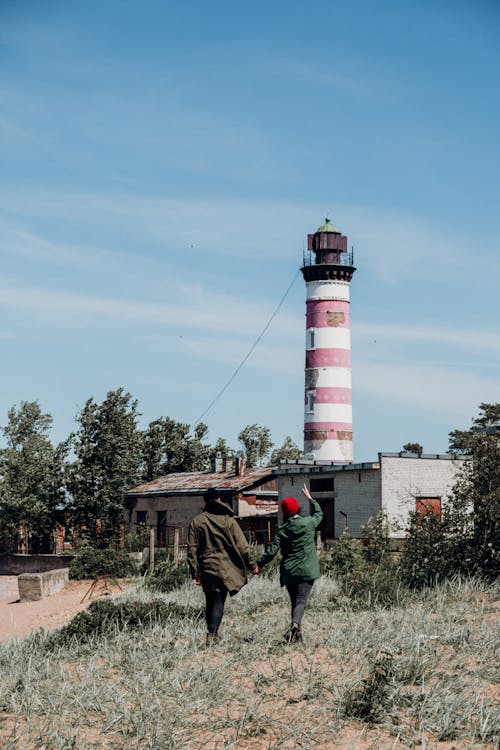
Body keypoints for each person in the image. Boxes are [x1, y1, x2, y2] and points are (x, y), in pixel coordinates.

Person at [187, 487, 259, 645]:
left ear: (205, 501)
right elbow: (243, 546)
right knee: (219, 600)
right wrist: (252, 565)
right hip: (226, 568)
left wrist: (195, 572)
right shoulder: (229, 520)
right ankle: (212, 634)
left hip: (206, 566)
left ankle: (213, 632)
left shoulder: (197, 521)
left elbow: (191, 549)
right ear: (219, 499)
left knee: (210, 600)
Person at [256, 483, 323, 643]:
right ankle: (295, 624)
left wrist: (259, 564)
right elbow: (319, 514)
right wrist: (310, 499)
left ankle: (296, 635)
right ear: (298, 509)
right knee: (301, 601)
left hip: (289, 572)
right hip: (307, 570)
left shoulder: (282, 529)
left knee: (295, 601)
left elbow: (271, 552)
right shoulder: (308, 523)